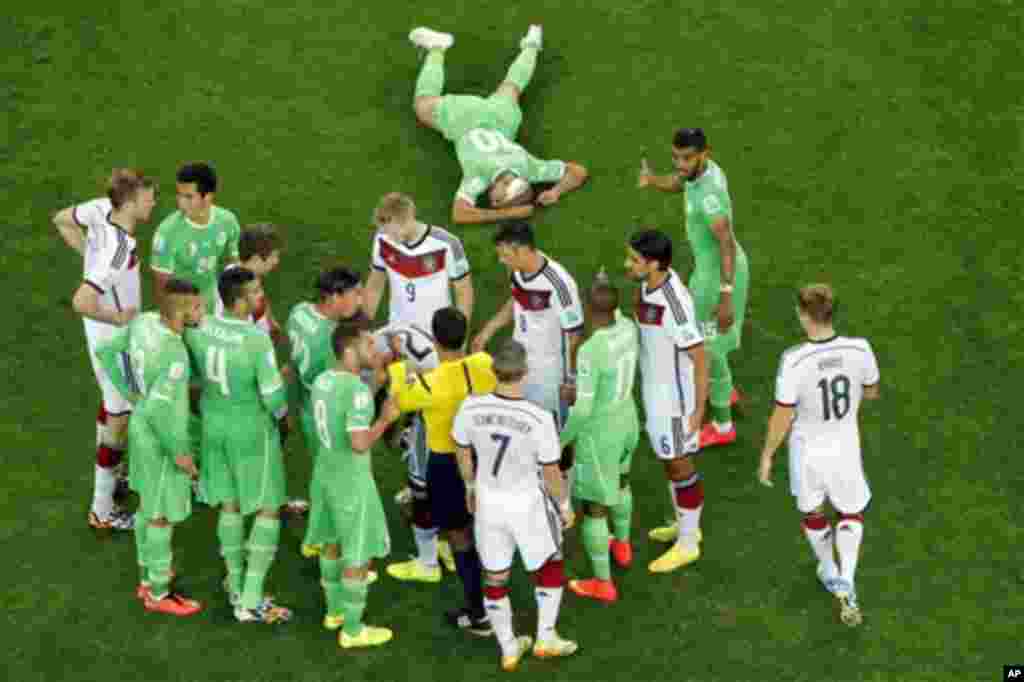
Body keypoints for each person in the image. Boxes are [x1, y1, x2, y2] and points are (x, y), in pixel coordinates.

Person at [363, 192, 471, 580]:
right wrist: (364, 327)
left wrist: (455, 344)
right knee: (377, 391)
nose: (381, 234)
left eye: (384, 225)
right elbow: (375, 285)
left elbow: (464, 292)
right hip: (397, 339)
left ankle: (426, 495)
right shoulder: (383, 242)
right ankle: (411, 453)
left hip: (433, 346)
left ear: (402, 219)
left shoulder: (446, 244)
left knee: (427, 417)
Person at [757, 284, 880, 627]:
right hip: (845, 447)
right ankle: (848, 583)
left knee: (813, 511)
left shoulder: (794, 360)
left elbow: (782, 415)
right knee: (851, 511)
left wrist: (767, 454)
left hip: (808, 451)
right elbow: (871, 392)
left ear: (802, 314)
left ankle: (828, 569)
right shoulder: (861, 349)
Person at [453, 339, 578, 671]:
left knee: (495, 576)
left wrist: (469, 485)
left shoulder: (470, 407)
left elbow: (462, 451)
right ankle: (546, 638)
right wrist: (564, 505)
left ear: (494, 371)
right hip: (527, 505)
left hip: (488, 504)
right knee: (551, 563)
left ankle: (509, 647)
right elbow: (551, 472)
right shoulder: (538, 418)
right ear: (525, 371)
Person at [185, 268, 292, 623]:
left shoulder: (200, 327)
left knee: (228, 505)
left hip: (214, 426)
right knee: (268, 508)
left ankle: (234, 581)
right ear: (239, 300)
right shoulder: (255, 339)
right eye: (256, 291)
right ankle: (251, 599)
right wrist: (283, 416)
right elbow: (274, 396)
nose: (260, 296)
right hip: (251, 431)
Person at [95, 278, 204, 616]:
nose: (202, 311)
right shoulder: (175, 353)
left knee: (147, 507)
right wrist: (182, 455)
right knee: (161, 517)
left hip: (140, 428)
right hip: (159, 440)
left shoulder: (143, 321)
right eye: (198, 307)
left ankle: (148, 575)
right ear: (182, 311)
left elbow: (109, 352)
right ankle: (158, 592)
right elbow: (162, 412)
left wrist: (132, 395)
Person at [54, 169, 156, 530]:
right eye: (148, 197)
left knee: (113, 405)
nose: (153, 202)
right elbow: (82, 301)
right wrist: (116, 317)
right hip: (116, 342)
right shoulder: (118, 249)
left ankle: (111, 480)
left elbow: (63, 220)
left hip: (99, 335)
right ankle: (102, 508)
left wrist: (88, 262)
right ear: (129, 202)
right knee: (122, 415)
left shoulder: (99, 208)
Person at [409, 24, 589, 225]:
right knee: (422, 104)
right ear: (508, 186)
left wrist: (556, 191)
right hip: (464, 118)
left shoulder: (531, 169)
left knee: (512, 86)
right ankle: (437, 48)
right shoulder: (478, 178)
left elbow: (577, 171)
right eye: (499, 200)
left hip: (502, 118)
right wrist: (510, 214)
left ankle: (532, 44)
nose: (493, 201)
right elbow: (460, 215)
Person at [388, 307, 497, 636]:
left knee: (460, 536)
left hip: (446, 466)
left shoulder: (429, 384)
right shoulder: (483, 365)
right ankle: (494, 601)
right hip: (482, 457)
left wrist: (398, 362)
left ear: (434, 340)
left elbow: (400, 399)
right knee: (487, 530)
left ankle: (478, 613)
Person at [638, 128, 750, 448]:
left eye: (686, 158)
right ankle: (724, 389)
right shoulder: (699, 174)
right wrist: (653, 180)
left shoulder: (710, 196)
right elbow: (678, 181)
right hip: (708, 273)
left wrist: (726, 295)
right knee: (706, 340)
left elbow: (726, 244)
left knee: (708, 349)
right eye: (676, 157)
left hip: (719, 277)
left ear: (705, 153)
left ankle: (723, 424)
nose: (680, 164)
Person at [306, 319, 402, 648]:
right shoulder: (356, 391)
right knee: (358, 554)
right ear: (350, 350)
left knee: (330, 542)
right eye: (368, 345)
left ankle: (333, 611)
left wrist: (372, 388)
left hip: (324, 473)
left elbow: (341, 411)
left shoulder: (323, 380)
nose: (374, 350)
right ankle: (353, 629)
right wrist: (385, 419)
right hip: (351, 479)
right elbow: (360, 442)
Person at [473, 221, 583, 498]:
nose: (501, 260)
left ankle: (563, 496)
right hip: (520, 365)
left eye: (505, 255)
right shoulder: (518, 271)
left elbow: (574, 334)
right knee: (524, 426)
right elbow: (516, 301)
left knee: (555, 435)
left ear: (522, 250)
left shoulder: (558, 283)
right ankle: (533, 483)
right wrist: (488, 330)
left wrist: (571, 379)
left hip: (549, 373)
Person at [624, 230, 709, 573]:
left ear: (654, 264)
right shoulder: (648, 286)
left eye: (634, 260)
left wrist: (697, 412)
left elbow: (701, 358)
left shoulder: (676, 305)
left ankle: (688, 543)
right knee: (669, 463)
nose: (627, 265)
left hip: (674, 401)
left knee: (679, 465)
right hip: (656, 393)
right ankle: (685, 523)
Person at [560, 269, 641, 602]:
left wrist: (561, 441)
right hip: (628, 419)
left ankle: (601, 583)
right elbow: (612, 308)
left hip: (600, 433)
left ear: (588, 310)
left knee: (594, 507)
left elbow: (581, 410)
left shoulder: (591, 350)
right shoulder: (628, 328)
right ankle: (621, 545)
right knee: (622, 482)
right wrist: (603, 285)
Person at [284, 268, 364, 559]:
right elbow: (344, 385)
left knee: (321, 474)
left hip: (306, 408)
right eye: (355, 293)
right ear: (333, 297)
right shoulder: (331, 338)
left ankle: (313, 537)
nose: (361, 299)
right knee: (340, 480)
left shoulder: (299, 312)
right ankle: (337, 549)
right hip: (328, 416)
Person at [151, 162, 241, 313]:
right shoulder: (167, 233)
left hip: (212, 308)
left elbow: (236, 263)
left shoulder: (227, 221)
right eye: (179, 195)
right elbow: (162, 287)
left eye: (188, 197)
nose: (180, 203)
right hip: (180, 312)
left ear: (207, 197)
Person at [219, 223, 284, 344]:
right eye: (274, 256)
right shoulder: (241, 292)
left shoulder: (240, 274)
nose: (276, 261)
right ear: (256, 259)